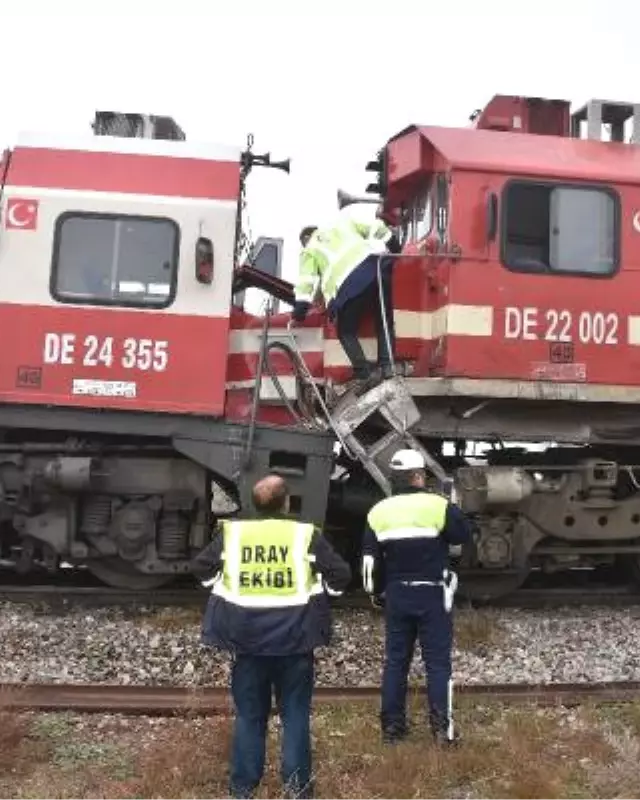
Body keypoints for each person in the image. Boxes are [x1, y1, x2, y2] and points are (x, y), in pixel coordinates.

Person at [192, 473, 352, 800]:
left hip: (247, 642)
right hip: (295, 642)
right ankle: (297, 789)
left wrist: (221, 589)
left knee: (250, 716)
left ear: (253, 503)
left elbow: (201, 568)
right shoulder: (304, 534)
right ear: (287, 502)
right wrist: (322, 594)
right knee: (295, 716)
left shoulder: (234, 534)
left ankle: (243, 789)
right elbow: (341, 575)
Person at [361, 448, 471, 746]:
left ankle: (392, 730)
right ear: (418, 476)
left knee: (396, 662)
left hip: (397, 595)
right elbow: (463, 536)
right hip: (432, 594)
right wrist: (452, 507)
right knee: (437, 664)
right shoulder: (437, 506)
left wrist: (376, 595)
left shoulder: (378, 512)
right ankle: (441, 731)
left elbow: (370, 565)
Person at [292, 210, 402, 391]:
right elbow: (376, 227)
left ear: (305, 239)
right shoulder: (341, 224)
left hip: (349, 285)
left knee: (345, 331)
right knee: (384, 320)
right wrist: (395, 245)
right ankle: (387, 366)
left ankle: (364, 374)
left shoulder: (310, 249)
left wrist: (300, 310)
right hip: (376, 269)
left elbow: (307, 281)